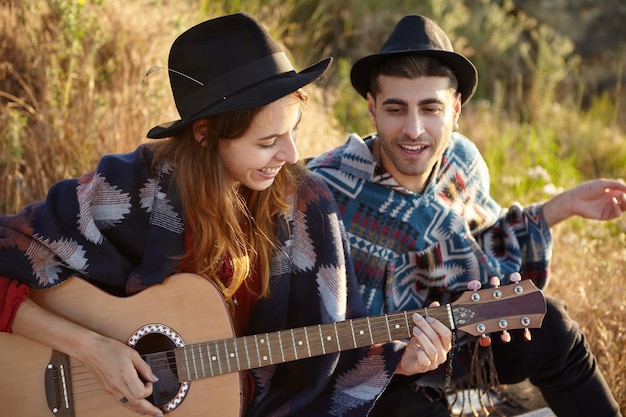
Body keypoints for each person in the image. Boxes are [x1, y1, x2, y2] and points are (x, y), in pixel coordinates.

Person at [0, 13, 453, 417]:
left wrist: (397, 360)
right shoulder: (126, 190)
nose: (291, 154)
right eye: (267, 141)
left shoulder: (307, 206)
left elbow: (335, 344)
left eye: (293, 131)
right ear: (205, 134)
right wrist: (93, 348)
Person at [307, 14, 626, 417]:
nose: (413, 129)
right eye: (395, 108)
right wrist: (391, 360)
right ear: (372, 110)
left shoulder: (461, 161)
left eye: (430, 108)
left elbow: (483, 243)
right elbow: (306, 331)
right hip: (377, 376)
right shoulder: (325, 192)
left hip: (458, 339)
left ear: (455, 110)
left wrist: (559, 208)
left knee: (554, 323)